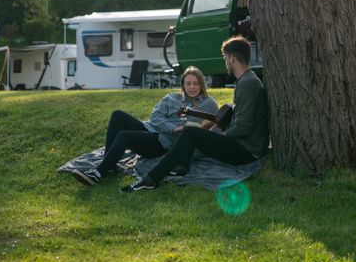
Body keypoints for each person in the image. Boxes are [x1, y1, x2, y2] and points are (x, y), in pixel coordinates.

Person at [121, 35, 269, 192]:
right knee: (192, 133)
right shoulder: (246, 81)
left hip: (247, 151)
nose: (225, 62)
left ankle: (152, 179)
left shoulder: (248, 83)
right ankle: (177, 167)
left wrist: (219, 136)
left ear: (232, 58)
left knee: (191, 133)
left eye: (225, 58)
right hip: (243, 145)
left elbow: (244, 127)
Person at [70, 66, 219, 186]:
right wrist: (173, 127)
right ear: (183, 85)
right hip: (151, 130)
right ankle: (109, 164)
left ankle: (98, 173)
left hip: (163, 143)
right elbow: (155, 117)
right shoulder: (172, 98)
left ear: (201, 84)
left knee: (124, 136)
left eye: (196, 83)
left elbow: (213, 126)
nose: (192, 87)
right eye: (188, 83)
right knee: (118, 115)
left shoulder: (209, 104)